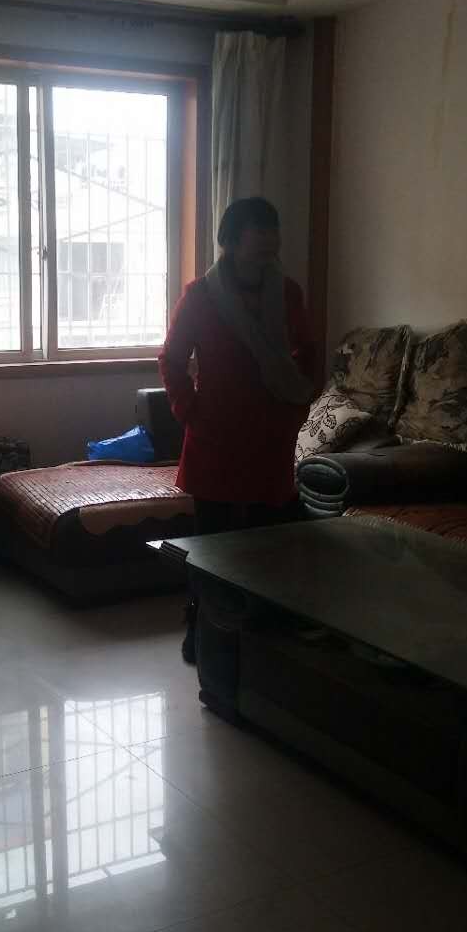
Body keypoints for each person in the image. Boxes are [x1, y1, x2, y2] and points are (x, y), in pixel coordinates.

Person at [159, 196, 313, 661]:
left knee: (266, 542)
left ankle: (256, 638)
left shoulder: (288, 293)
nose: (269, 239)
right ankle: (201, 631)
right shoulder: (200, 295)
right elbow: (171, 359)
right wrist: (190, 411)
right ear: (230, 239)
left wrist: (297, 405)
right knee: (210, 544)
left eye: (273, 229)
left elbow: (308, 352)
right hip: (216, 435)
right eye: (258, 230)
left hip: (271, 434)